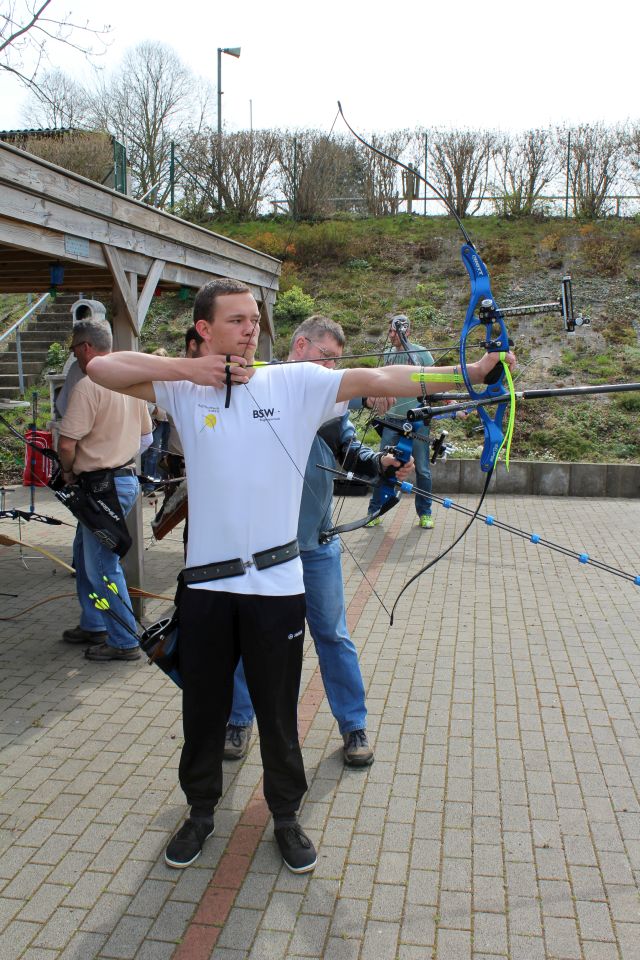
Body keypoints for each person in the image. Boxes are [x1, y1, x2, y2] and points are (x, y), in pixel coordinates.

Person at [87, 278, 513, 875]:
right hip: (209, 589)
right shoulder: (184, 386)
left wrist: (472, 371)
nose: (251, 328)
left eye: (254, 319)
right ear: (206, 329)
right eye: (236, 320)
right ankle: (201, 811)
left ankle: (285, 816)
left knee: (279, 711)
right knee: (204, 712)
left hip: (277, 588)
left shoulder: (293, 383)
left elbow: (380, 380)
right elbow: (103, 366)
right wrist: (195, 369)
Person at [224, 315, 414, 768]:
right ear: (301, 345)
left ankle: (354, 726)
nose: (332, 368)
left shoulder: (330, 400)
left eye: (336, 361)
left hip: (316, 545)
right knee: (250, 636)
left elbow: (351, 451)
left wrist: (384, 463)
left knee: (332, 634)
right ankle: (237, 719)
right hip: (263, 548)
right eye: (327, 357)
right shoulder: (259, 383)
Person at [58, 319, 152, 662]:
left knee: (101, 566)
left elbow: (67, 444)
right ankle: (94, 621)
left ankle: (124, 640)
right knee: (86, 554)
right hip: (122, 480)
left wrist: (68, 471)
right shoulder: (130, 382)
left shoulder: (88, 384)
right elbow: (147, 438)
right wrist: (118, 454)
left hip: (99, 487)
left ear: (85, 348)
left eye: (74, 350)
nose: (75, 357)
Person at [367, 314, 435, 529]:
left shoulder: (421, 353)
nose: (393, 335)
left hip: (417, 421)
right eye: (391, 331)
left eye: (397, 331)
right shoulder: (387, 354)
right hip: (392, 421)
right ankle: (374, 511)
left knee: (422, 469)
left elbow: (435, 381)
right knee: (383, 464)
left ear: (408, 332)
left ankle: (425, 513)